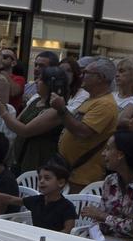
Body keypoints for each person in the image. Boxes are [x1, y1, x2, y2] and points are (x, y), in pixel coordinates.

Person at [50, 57, 121, 189]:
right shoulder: (92, 99)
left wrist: (61, 109)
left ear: (100, 78)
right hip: (70, 170)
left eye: (86, 73)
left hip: (83, 175)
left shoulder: (105, 104)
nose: (81, 76)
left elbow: (83, 131)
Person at [80, 131, 133, 241]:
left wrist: (103, 216)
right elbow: (100, 222)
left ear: (120, 155)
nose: (103, 153)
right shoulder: (110, 180)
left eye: (108, 149)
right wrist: (102, 219)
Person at [23, 158, 78, 233]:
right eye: (39, 178)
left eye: (47, 178)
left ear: (61, 183)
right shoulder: (37, 200)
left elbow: (68, 230)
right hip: (36, 238)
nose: (41, 181)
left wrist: (50, 237)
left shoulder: (67, 207)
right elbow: (11, 199)